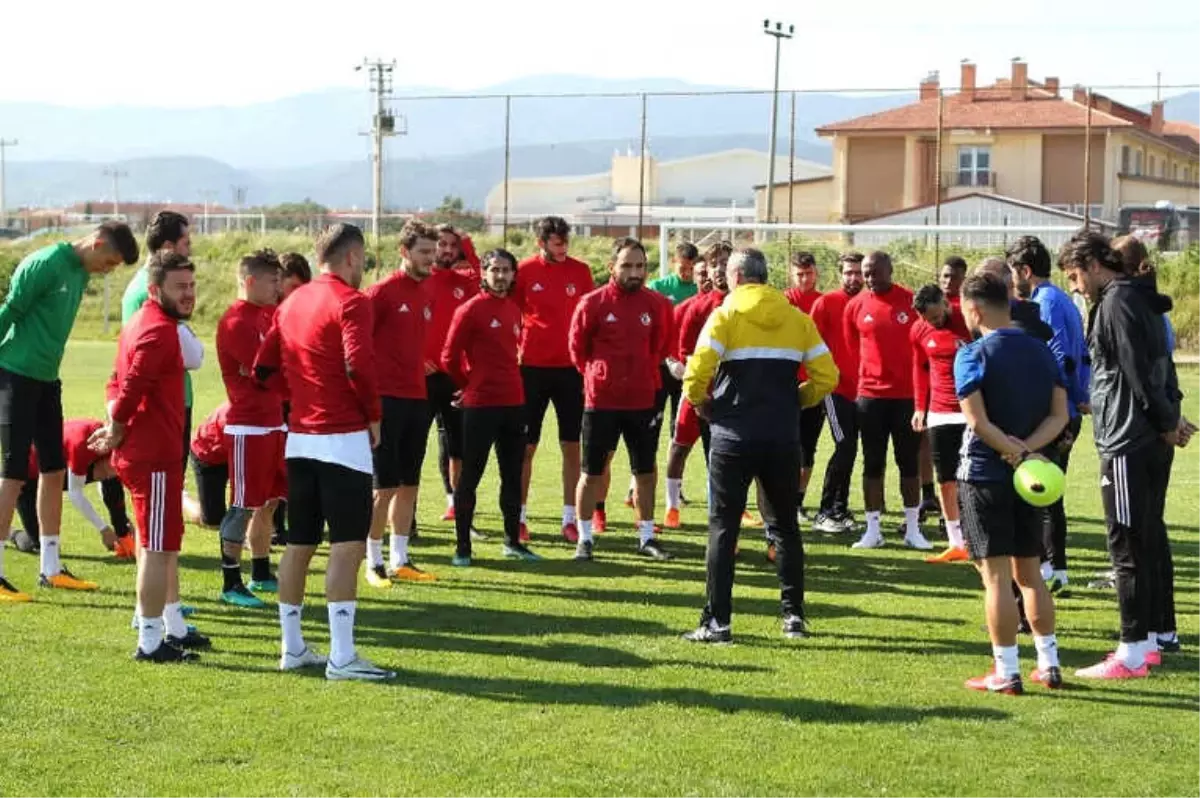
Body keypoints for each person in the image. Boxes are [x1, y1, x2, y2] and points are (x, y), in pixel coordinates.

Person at [254, 222, 394, 681]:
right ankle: (342, 656)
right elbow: (358, 364)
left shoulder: (291, 301)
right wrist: (372, 414)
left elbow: (263, 369)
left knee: (298, 545)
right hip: (342, 436)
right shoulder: (352, 302)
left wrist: (299, 395)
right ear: (353, 257)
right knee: (347, 546)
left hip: (301, 437)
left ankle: (292, 649)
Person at [681, 247, 838, 643]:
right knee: (785, 526)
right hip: (782, 436)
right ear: (766, 277)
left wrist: (703, 404)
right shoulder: (796, 318)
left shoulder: (726, 314)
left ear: (734, 277)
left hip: (733, 436)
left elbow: (697, 372)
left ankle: (718, 622)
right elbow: (827, 376)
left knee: (723, 527)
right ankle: (793, 618)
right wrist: (795, 401)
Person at [1057, 231, 1185, 679]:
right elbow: (1160, 366)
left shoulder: (1116, 303)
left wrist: (1167, 420)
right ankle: (1149, 641)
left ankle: (1130, 650)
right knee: (1145, 542)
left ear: (1094, 264)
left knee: (1127, 545)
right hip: (1145, 436)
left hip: (1128, 442)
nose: (1075, 286)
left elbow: (1137, 372)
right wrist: (1171, 417)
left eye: (1075, 276)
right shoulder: (1137, 298)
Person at [0, 221, 138, 602]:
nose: (107, 270)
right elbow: (10, 312)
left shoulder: (80, 272)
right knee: (12, 474)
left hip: (47, 379)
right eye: (108, 261)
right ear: (95, 243)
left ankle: (51, 568)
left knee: (54, 469)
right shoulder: (43, 263)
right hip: (14, 374)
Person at [954, 271, 1068, 694]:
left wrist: (1011, 451)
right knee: (1031, 573)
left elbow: (977, 421)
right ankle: (1050, 663)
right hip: (1032, 477)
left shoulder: (972, 354)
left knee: (996, 578)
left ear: (975, 309)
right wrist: (1028, 453)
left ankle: (1006, 670)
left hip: (985, 473)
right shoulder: (1042, 351)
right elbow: (1059, 416)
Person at [92, 251, 210, 660]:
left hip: (146, 452)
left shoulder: (142, 321)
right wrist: (118, 423)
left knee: (158, 543)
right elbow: (130, 389)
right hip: (154, 456)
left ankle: (165, 628)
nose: (189, 294)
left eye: (192, 286)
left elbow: (115, 382)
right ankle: (150, 640)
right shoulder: (159, 330)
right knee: (158, 549)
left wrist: (116, 423)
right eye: (180, 287)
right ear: (155, 289)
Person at [568, 238, 672, 562]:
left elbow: (661, 346)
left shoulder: (656, 305)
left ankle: (646, 537)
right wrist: (600, 375)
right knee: (592, 472)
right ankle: (584, 538)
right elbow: (577, 350)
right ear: (612, 267)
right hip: (601, 401)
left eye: (640, 266)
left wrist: (640, 373)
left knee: (645, 471)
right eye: (627, 265)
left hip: (642, 399)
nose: (634, 272)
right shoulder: (592, 303)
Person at [441, 249, 541, 565]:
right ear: (483, 272)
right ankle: (462, 549)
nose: (501, 276)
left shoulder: (513, 309)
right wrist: (468, 384)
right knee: (470, 476)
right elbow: (448, 357)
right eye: (495, 270)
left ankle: (512, 541)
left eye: (506, 270)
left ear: (514, 274)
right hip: (480, 407)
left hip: (513, 403)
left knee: (512, 475)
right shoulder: (469, 310)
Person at [1007, 236, 1090, 595]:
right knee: (1047, 492)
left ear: (1025, 271)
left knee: (1042, 492)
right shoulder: (1055, 299)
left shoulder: (1048, 303)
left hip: (1056, 413)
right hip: (1065, 409)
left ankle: (1052, 568)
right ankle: (1055, 568)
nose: (1013, 281)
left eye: (1014, 273)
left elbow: (1060, 356)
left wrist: (1066, 402)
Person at [362, 220, 439, 587]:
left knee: (410, 484)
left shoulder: (425, 293)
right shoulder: (380, 293)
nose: (431, 259)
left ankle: (400, 558)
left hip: (416, 398)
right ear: (404, 252)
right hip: (386, 402)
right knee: (384, 487)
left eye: (433, 253)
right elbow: (357, 349)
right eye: (424, 252)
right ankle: (372, 560)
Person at [514, 216, 595, 543]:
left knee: (572, 447)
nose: (564, 249)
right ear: (542, 243)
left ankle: (569, 518)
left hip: (571, 371)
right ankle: (519, 517)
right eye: (557, 243)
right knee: (526, 447)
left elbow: (590, 318)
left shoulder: (581, 271)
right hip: (531, 368)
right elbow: (511, 314)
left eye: (566, 243)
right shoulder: (524, 271)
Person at [844, 251, 932, 550]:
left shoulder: (910, 301)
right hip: (870, 397)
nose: (868, 278)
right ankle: (872, 530)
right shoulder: (855, 306)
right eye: (865, 273)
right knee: (872, 463)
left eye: (874, 272)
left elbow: (923, 347)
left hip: (906, 397)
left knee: (909, 463)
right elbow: (852, 348)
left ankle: (912, 529)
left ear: (889, 270)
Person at [215, 250, 286, 608]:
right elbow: (265, 371)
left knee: (270, 501)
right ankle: (231, 582)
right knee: (242, 505)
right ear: (251, 281)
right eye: (273, 281)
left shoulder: (269, 314)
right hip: (248, 426)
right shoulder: (235, 321)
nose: (279, 287)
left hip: (274, 421)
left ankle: (260, 571)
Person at [122, 211, 205, 509]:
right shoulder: (151, 291)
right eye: (186, 242)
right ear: (168, 247)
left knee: (162, 503)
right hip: (160, 406)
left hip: (170, 400)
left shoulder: (143, 285)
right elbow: (191, 354)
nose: (190, 248)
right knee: (158, 506)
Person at [9, 418, 136, 562]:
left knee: (111, 480)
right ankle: (9, 532)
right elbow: (75, 494)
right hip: (28, 478)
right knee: (40, 545)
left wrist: (122, 523)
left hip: (55, 468)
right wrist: (103, 529)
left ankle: (123, 532)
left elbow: (108, 480)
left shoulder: (113, 443)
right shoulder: (83, 445)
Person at [909, 285, 970, 563]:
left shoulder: (968, 320)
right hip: (940, 414)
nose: (933, 323)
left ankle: (976, 534)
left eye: (935, 317)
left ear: (945, 303)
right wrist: (920, 407)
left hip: (972, 412)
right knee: (946, 479)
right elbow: (919, 370)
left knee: (971, 477)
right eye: (927, 320)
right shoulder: (919, 330)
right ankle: (955, 541)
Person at [425, 225, 480, 524]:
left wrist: (468, 242)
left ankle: (459, 511)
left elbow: (486, 275)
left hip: (456, 375)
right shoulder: (418, 280)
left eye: (452, 245)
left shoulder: (465, 281)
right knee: (415, 448)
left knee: (459, 446)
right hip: (423, 377)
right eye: (441, 244)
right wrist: (418, 357)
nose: (447, 250)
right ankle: (407, 520)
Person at [808, 253, 864, 534]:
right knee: (845, 446)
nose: (853, 278)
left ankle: (840, 510)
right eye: (848, 272)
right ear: (839, 274)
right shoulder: (825, 303)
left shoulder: (869, 303)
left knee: (852, 450)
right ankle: (825, 510)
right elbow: (809, 344)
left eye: (858, 273)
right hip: (836, 388)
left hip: (865, 391)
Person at [661, 254, 716, 528]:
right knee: (679, 445)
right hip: (693, 387)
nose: (707, 276)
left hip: (725, 391)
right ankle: (671, 506)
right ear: (693, 277)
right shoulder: (685, 309)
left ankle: (723, 508)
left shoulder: (732, 305)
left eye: (711, 270)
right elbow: (669, 347)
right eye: (701, 272)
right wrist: (674, 364)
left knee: (720, 451)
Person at [783, 251, 825, 520]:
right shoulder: (783, 301)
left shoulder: (824, 301)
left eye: (808, 273)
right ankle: (782, 500)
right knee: (785, 443)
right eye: (799, 274)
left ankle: (797, 502)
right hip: (786, 382)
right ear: (791, 274)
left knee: (808, 445)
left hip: (814, 382)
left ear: (816, 273)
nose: (804, 278)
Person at [188, 402, 230, 528]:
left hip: (227, 450)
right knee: (213, 521)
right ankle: (182, 497)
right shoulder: (230, 419)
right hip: (207, 457)